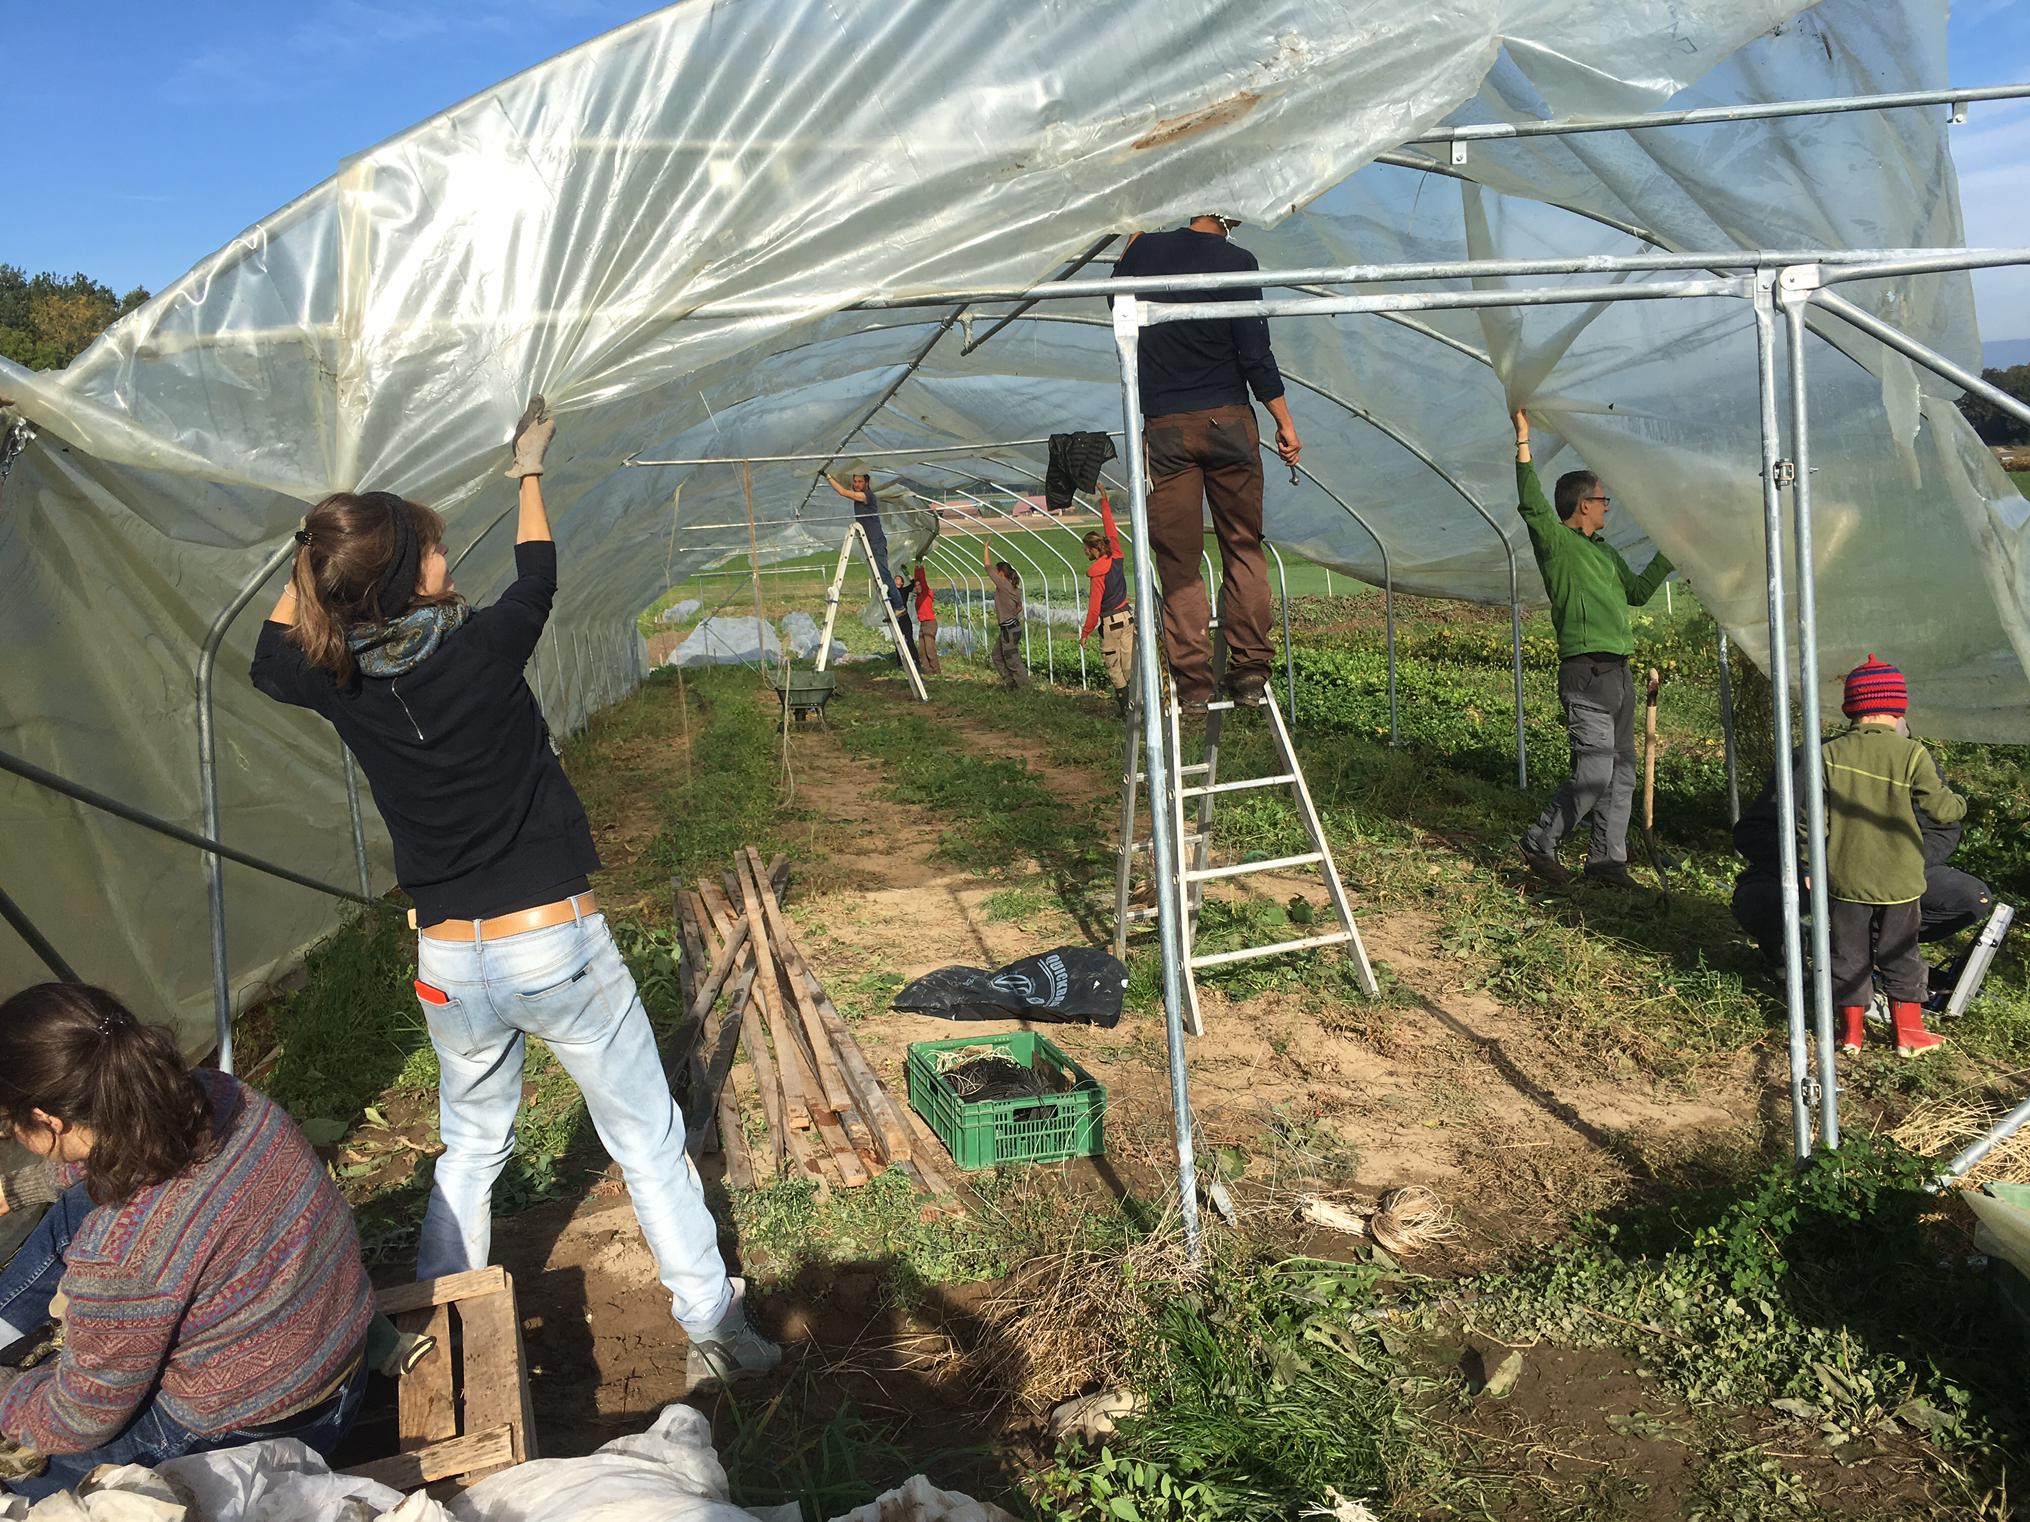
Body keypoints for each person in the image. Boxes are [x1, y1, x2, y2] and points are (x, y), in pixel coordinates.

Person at [248, 399, 778, 1385]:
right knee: (648, 1141)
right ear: (408, 575)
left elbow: (267, 652)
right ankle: (716, 1333)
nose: (447, 558)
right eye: (432, 550)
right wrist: (528, 470)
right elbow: (539, 570)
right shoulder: (482, 650)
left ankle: (433, 1336)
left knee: (469, 1147)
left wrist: (317, 548)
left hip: (450, 960)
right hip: (554, 946)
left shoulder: (336, 681)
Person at [0, 984, 372, 1499]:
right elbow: (125, 1151)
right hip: (341, 1360)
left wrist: (9, 1399)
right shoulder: (217, 1093)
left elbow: (78, 1420)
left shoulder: (122, 1250)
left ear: (46, 1120)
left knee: (20, 1468)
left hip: (261, 1433)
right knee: (78, 1206)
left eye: (8, 1125)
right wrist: (18, 1189)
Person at [1111, 215, 1299, 713]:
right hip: (1229, 421)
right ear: (1230, 215)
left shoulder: (1143, 252)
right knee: (1242, 546)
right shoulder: (1237, 262)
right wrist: (1284, 421)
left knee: (1179, 561)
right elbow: (1256, 354)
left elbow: (1118, 310)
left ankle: (1193, 685)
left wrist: (1130, 250)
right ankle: (1250, 672)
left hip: (1167, 427)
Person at [1511, 408, 1674, 890]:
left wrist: (1673, 550)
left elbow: (1639, 591)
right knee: (1596, 768)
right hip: (1584, 672)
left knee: (1621, 772)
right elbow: (1532, 505)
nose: (1608, 507)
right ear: (1582, 504)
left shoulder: (1604, 551)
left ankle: (1607, 861)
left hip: (1618, 673)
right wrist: (1523, 441)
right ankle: (1541, 840)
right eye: (1603, 500)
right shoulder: (1558, 544)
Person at [1819, 656, 1964, 1057]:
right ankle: (1908, 1035)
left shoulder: (1829, 754)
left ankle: (1850, 1035)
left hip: (1845, 875)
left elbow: (1807, 817)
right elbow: (1941, 809)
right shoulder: (1912, 753)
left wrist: (1808, 861)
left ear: (1852, 707)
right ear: (1898, 708)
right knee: (1901, 952)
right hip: (1899, 879)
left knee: (1847, 953)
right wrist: (1960, 804)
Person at [1731, 751, 1992, 958]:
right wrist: (1818, 860)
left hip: (1893, 872)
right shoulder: (1813, 756)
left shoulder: (1916, 760)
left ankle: (1857, 948)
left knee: (1970, 898)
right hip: (1814, 870)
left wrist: (1899, 864)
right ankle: (1789, 953)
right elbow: (1752, 831)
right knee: (1758, 899)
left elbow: (1942, 831)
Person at [1079, 487, 1134, 717]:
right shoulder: (1117, 555)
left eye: (1086, 549)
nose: (1085, 553)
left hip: (1110, 623)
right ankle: (1142, 704)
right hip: (1128, 617)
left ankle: (1127, 710)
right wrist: (1104, 500)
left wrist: (1086, 632)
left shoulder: (1097, 573)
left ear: (1093, 549)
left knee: (1114, 668)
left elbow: (1094, 608)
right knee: (1130, 663)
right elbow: (1111, 529)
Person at [821, 465, 890, 581]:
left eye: (860, 482)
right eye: (855, 481)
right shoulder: (859, 496)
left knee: (883, 576)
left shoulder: (866, 496)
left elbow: (843, 492)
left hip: (876, 541)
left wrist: (827, 476)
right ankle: (888, 598)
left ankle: (895, 600)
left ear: (866, 483)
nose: (856, 484)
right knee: (877, 576)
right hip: (869, 540)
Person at [983, 537, 1030, 689]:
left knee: (1012, 659)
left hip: (1009, 630)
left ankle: (1025, 688)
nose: (995, 575)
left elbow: (987, 567)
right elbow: (1019, 608)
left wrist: (986, 548)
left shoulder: (1003, 585)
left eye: (998, 573)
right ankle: (1011, 683)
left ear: (1001, 574)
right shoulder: (1015, 588)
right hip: (1010, 628)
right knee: (997, 655)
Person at [911, 563, 943, 675]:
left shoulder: (927, 593)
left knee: (929, 649)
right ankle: (928, 671)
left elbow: (922, 581)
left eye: (919, 585)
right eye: (916, 585)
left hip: (930, 623)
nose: (918, 587)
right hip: (923, 624)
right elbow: (914, 582)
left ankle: (937, 671)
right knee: (922, 650)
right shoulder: (918, 597)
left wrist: (919, 568)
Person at [888, 570, 918, 672]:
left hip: (904, 617)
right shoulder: (890, 592)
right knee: (898, 640)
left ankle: (915, 659)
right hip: (895, 618)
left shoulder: (904, 591)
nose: (896, 580)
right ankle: (900, 661)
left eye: (898, 579)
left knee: (909, 639)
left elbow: (913, 584)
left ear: (901, 583)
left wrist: (907, 574)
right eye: (895, 579)